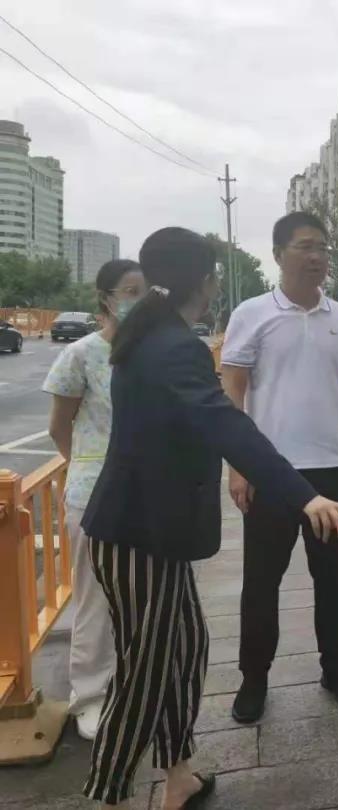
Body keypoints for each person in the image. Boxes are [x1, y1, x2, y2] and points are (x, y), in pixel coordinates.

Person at [80, 227, 338, 809]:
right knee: (145, 670)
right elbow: (223, 420)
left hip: (156, 529)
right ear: (203, 281)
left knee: (185, 648)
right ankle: (107, 795)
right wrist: (303, 495)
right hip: (138, 534)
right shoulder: (171, 344)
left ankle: (179, 776)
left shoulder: (153, 334)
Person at [221, 211, 338, 724]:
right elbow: (232, 390)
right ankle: (253, 679)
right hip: (270, 472)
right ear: (278, 253)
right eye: (306, 246)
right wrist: (238, 464)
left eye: (323, 248)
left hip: (332, 469)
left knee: (333, 578)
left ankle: (337, 669)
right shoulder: (251, 314)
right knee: (262, 582)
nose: (317, 257)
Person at [43, 259, 146, 741]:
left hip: (147, 491)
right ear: (106, 298)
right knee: (94, 596)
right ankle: (88, 695)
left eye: (145, 291)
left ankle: (131, 684)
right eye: (130, 291)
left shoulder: (149, 353)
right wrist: (86, 467)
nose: (138, 300)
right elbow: (58, 427)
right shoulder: (82, 354)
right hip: (94, 494)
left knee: (140, 594)